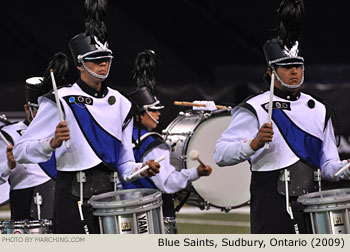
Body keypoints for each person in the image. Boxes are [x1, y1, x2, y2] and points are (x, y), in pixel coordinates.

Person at [13, 0, 160, 234]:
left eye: (107, 59)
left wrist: (142, 169)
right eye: (96, 60)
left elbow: (124, 164)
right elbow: (21, 151)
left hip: (110, 199)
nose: (103, 64)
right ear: (80, 64)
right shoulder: (61, 100)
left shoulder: (122, 103)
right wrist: (50, 143)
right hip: (71, 197)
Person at [214, 0, 350, 234]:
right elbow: (220, 154)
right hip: (271, 204)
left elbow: (328, 165)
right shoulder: (255, 107)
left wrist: (345, 169)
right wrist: (253, 144)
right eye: (287, 67)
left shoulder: (320, 109)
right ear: (271, 71)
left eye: (298, 65)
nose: (294, 71)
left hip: (314, 204)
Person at [124, 50, 212, 234]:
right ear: (140, 114)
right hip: (151, 213)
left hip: (124, 211)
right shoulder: (152, 143)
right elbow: (168, 183)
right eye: (154, 110)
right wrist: (196, 172)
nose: (158, 114)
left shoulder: (121, 136)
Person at [0, 52, 68, 220]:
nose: (44, 114)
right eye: (39, 109)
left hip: (62, 196)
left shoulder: (62, 130)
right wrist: (8, 165)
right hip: (26, 199)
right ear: (26, 109)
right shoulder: (9, 134)